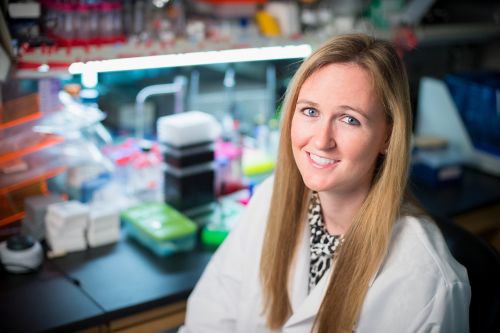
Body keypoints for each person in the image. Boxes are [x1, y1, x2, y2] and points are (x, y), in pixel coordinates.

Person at [179, 34, 470, 333]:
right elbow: (210, 317)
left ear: (387, 136)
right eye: (310, 111)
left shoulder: (427, 282)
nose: (321, 140)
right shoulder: (270, 199)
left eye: (349, 119)